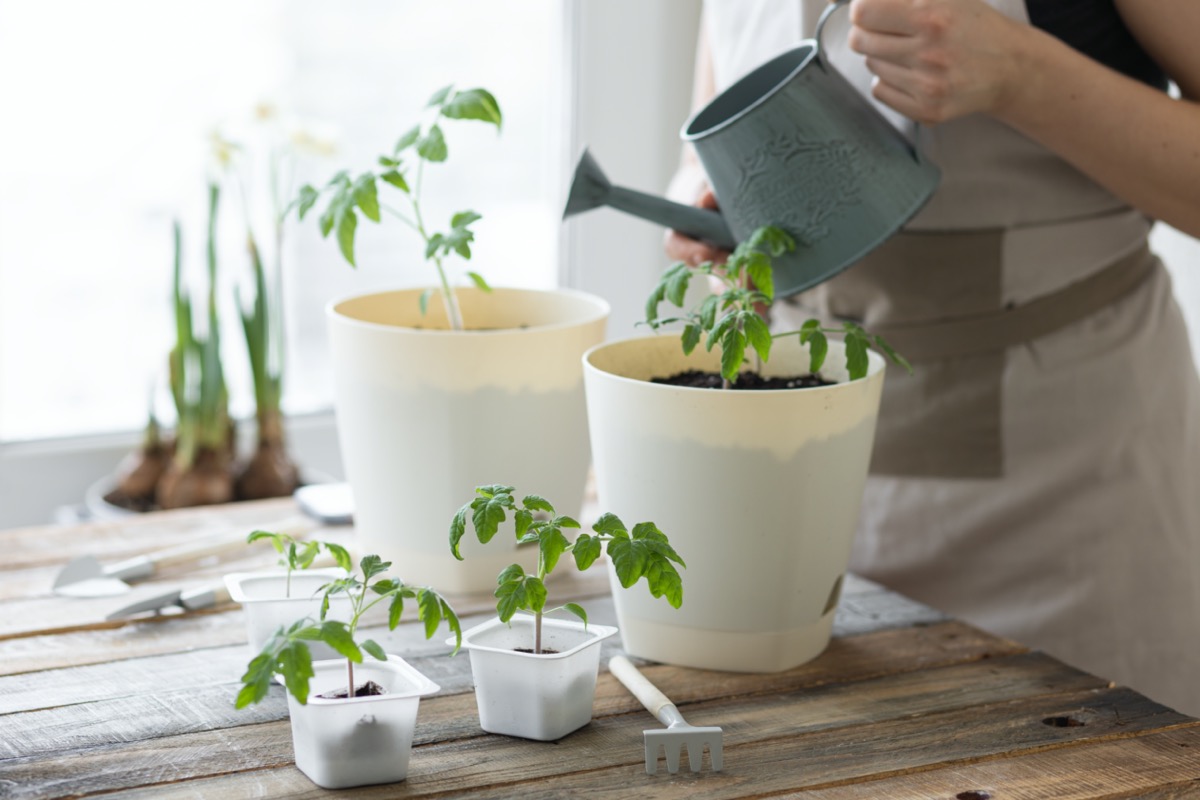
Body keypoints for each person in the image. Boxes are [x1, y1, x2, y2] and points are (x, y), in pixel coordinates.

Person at [666, 0, 1200, 716]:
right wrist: (709, 200)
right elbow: (717, 87)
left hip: (1068, 497)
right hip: (792, 484)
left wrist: (1019, 73)